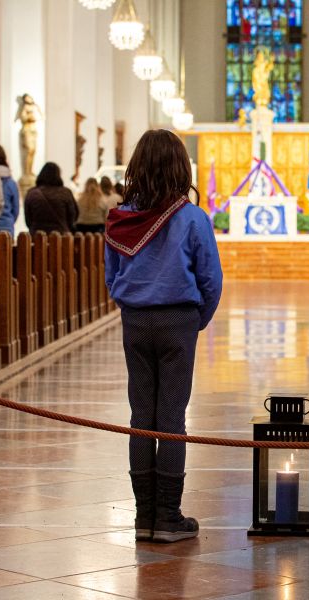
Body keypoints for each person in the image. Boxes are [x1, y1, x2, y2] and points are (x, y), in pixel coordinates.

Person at [105, 129, 222, 543]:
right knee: (171, 418)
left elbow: (111, 276)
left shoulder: (119, 219)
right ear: (181, 167)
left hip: (135, 321)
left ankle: (144, 517)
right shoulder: (191, 218)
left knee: (142, 417)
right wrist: (194, 320)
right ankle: (168, 517)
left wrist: (134, 304)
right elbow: (211, 280)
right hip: (177, 320)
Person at [24, 162, 79, 234]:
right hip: (61, 235)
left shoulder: (32, 193)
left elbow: (28, 219)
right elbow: (73, 215)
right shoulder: (66, 193)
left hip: (37, 236)